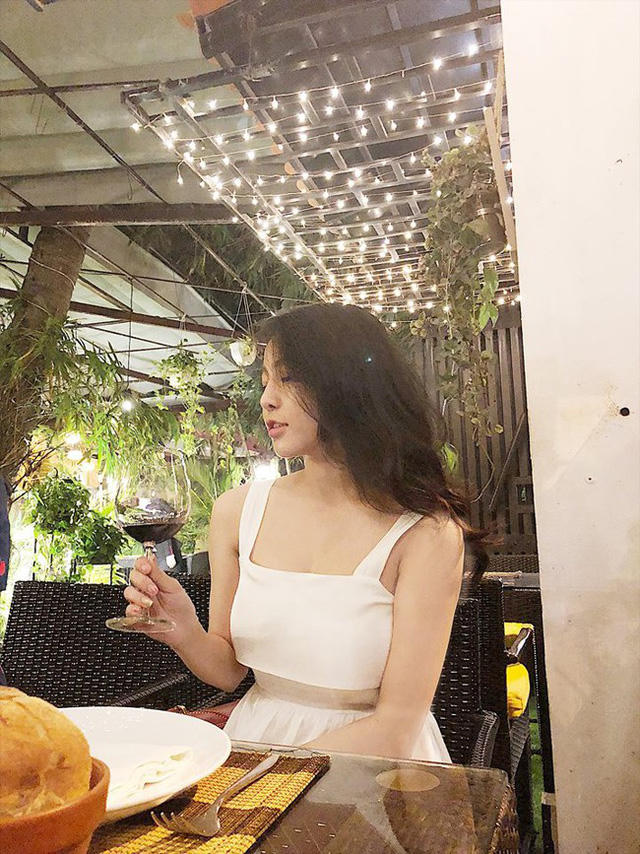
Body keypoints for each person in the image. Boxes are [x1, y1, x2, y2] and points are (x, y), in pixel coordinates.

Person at [124, 304, 486, 761]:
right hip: (257, 742)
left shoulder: (425, 533)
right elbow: (229, 672)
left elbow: (396, 726)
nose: (266, 400)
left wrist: (268, 777)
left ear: (349, 384)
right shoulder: (237, 511)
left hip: (369, 764)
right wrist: (184, 631)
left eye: (288, 378)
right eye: (264, 383)